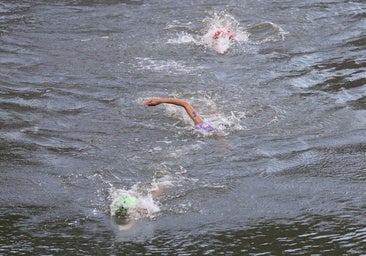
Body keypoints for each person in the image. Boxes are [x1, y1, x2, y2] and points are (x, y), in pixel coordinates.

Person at [143, 98, 214, 132]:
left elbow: (185, 104)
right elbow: (185, 104)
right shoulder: (205, 127)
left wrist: (161, 100)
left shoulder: (203, 127)